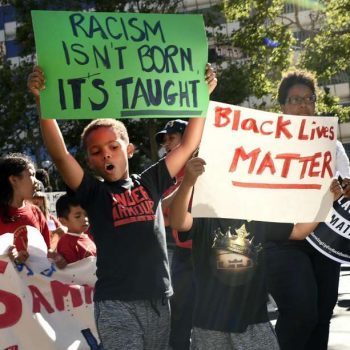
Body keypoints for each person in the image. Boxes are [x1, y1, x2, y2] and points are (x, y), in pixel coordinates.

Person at [27, 64, 217, 349]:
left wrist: (204, 94)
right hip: (115, 304)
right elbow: (60, 154)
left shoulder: (151, 180)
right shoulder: (93, 192)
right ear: (89, 161)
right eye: (96, 152)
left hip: (158, 301)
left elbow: (189, 143)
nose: (106, 154)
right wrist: (42, 101)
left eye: (113, 147)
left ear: (128, 150)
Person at [168, 157, 344, 350]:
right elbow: (177, 221)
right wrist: (187, 184)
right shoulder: (205, 217)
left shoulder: (258, 219)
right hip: (209, 324)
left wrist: (327, 202)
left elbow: (299, 231)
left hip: (254, 322)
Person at [265, 69, 350, 350]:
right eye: (295, 99)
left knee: (322, 313)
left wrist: (345, 188)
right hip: (284, 240)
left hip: (326, 239)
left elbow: (346, 182)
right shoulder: (268, 144)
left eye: (308, 99)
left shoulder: (331, 144)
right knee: (301, 311)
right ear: (282, 107)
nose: (303, 105)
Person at [156, 119, 195, 350]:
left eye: (171, 138)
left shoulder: (203, 165)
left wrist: (172, 212)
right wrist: (187, 186)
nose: (166, 144)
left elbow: (170, 215)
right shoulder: (165, 172)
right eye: (164, 140)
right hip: (181, 254)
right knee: (179, 316)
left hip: (207, 253)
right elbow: (159, 213)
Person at [0, 153, 51, 263]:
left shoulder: (36, 212)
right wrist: (7, 257)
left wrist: (59, 258)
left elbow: (47, 253)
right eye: (31, 175)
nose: (37, 182)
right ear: (14, 180)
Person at [55, 193, 95, 267]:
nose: (85, 219)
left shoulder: (88, 235)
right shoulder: (66, 243)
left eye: (86, 214)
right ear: (63, 221)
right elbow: (74, 272)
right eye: (77, 216)